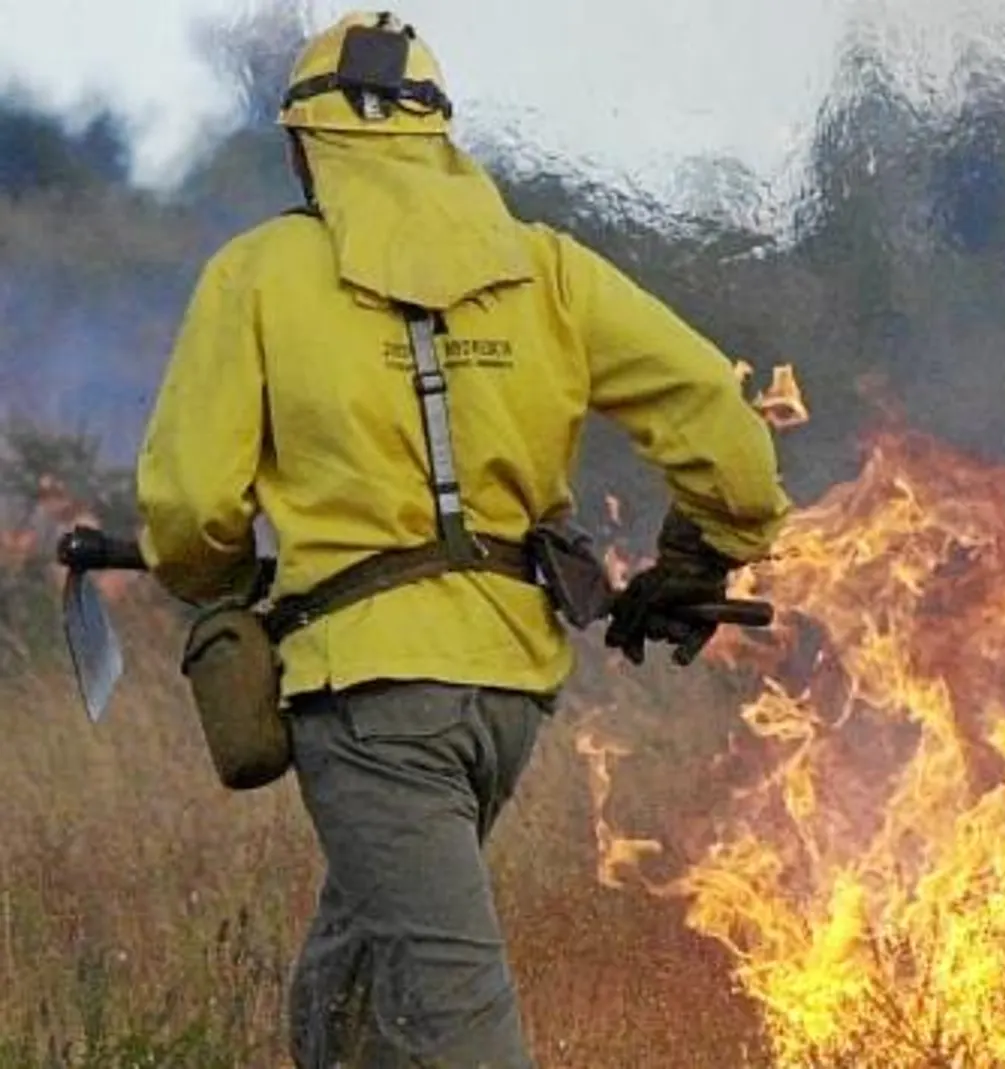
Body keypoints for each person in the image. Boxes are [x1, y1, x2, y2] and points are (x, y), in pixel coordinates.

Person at [133, 10, 791, 1066]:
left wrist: (220, 581)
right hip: (502, 697)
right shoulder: (550, 269)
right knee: (342, 1005)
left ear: (306, 148)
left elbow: (185, 510)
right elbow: (721, 417)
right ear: (438, 139)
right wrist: (706, 549)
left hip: (368, 701)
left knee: (456, 1023)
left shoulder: (256, 274)